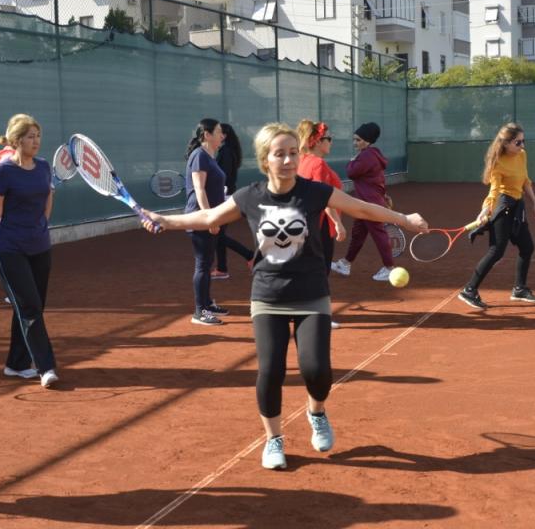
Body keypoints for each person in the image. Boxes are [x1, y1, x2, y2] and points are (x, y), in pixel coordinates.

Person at [141, 123, 427, 470]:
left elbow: (361, 208)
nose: (289, 160)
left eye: (293, 152)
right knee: (271, 371)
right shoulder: (249, 196)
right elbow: (208, 216)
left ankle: (316, 412)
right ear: (265, 159)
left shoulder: (314, 192)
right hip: (268, 296)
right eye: (280, 154)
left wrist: (404, 218)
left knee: (317, 370)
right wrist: (164, 221)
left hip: (311, 293)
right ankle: (273, 439)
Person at [0, 114, 60, 388]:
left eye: (38, 136)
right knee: (30, 307)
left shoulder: (43, 167)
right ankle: (46, 367)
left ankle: (15, 364)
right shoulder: (3, 171)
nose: (36, 141)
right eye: (30, 137)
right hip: (10, 249)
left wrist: (41, 226)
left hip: (40, 247)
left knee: (32, 307)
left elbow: (47, 201)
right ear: (16, 140)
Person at [458, 123, 535, 311]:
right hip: (503, 206)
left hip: (518, 206)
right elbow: (494, 191)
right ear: (505, 143)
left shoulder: (522, 155)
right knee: (496, 251)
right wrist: (485, 210)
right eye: (517, 142)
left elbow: (525, 181)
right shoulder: (498, 163)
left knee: (527, 247)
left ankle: (519, 289)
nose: (522, 145)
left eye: (523, 141)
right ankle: (469, 290)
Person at [330, 123, 395, 282]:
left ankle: (389, 268)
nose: (355, 143)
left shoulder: (366, 156)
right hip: (364, 203)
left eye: (358, 140)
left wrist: (353, 160)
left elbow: (351, 172)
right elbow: (376, 179)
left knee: (379, 234)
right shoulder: (374, 155)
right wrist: (384, 195)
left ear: (367, 141)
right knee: (358, 235)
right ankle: (345, 263)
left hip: (369, 204)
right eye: (354, 140)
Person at [184, 118, 232, 326]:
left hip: (210, 216)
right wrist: (208, 217)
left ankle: (206, 303)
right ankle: (199, 311)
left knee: (207, 262)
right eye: (219, 132)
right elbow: (199, 189)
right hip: (200, 218)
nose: (222, 136)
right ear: (207, 135)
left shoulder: (209, 157)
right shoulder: (199, 156)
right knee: (203, 264)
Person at [296, 120, 347, 272]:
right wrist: (337, 223)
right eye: (328, 139)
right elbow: (322, 198)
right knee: (321, 272)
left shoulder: (301, 160)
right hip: (319, 226)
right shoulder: (318, 164)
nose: (331, 142)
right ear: (318, 142)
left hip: (302, 224)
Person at [212, 122, 254, 280]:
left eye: (219, 132)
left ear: (225, 135)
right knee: (218, 234)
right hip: (224, 195)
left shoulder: (227, 152)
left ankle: (250, 255)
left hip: (224, 196)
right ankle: (222, 269)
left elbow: (225, 176)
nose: (217, 135)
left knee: (217, 234)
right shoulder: (225, 150)